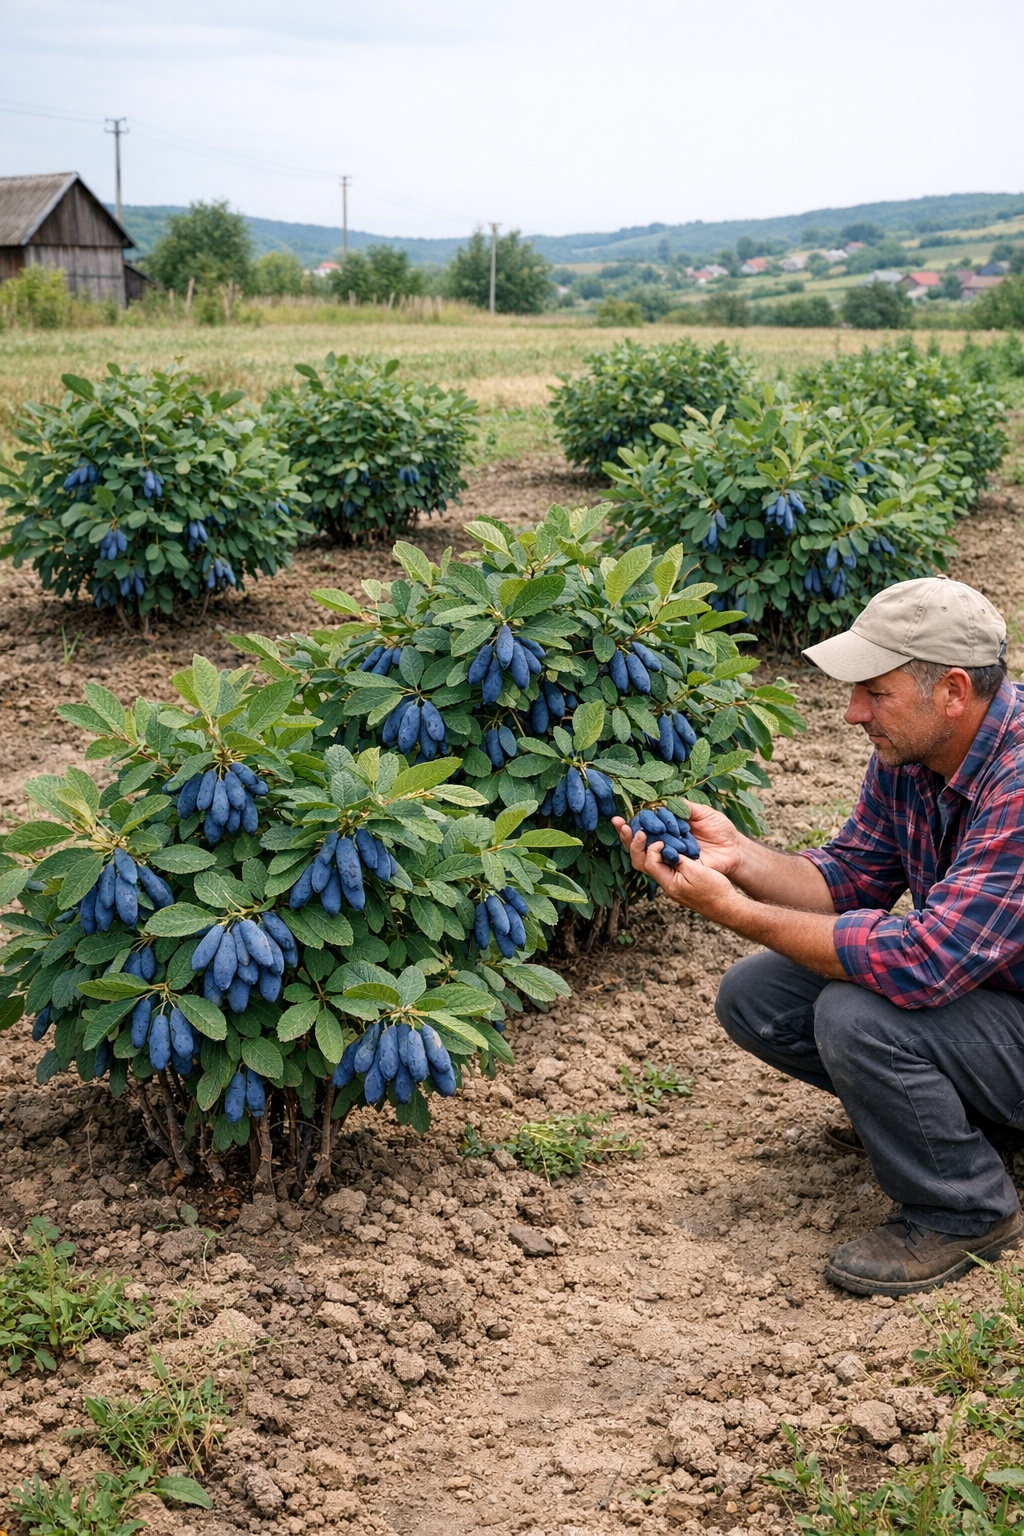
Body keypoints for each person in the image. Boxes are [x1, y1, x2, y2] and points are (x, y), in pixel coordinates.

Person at [613, 576, 1024, 1297]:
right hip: (993, 1000)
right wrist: (740, 859)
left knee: (858, 1015)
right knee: (760, 994)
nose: (852, 712)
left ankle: (964, 1208)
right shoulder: (917, 753)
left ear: (953, 692)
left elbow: (925, 963)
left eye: (875, 691)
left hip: (990, 999)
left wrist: (736, 913)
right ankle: (959, 1125)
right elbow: (848, 878)